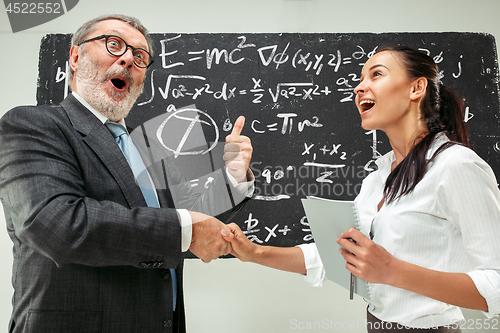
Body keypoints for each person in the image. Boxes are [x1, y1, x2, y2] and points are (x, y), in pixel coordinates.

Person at [0, 14, 254, 333]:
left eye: (139, 56)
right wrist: (186, 230)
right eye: (114, 44)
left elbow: (188, 213)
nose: (127, 59)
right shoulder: (32, 125)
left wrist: (233, 177)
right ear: (76, 57)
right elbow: (57, 223)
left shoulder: (146, 145)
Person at [222, 46, 500, 332]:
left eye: (376, 74)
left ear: (416, 88)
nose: (359, 87)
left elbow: (496, 283)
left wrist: (393, 270)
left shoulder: (455, 166)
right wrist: (254, 253)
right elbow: (337, 256)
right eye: (360, 78)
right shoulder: (377, 178)